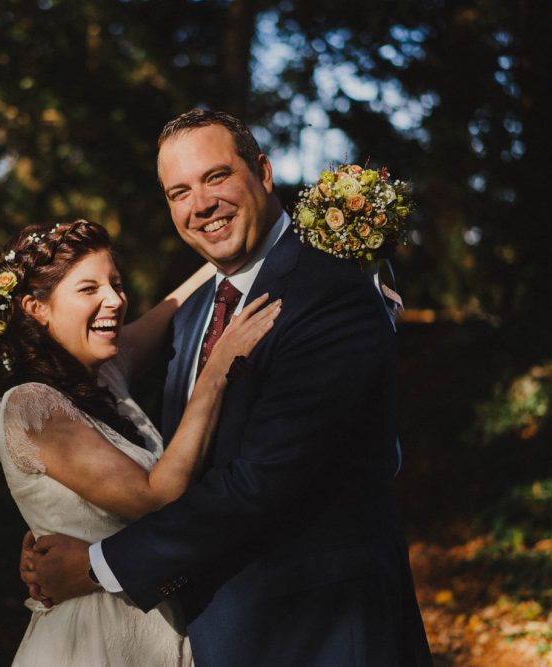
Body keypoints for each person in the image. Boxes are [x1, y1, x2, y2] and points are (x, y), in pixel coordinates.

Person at [22, 110, 433, 666]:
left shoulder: (329, 294)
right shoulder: (193, 316)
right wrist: (52, 536)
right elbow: (170, 469)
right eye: (179, 192)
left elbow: (262, 481)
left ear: (262, 172)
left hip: (320, 639)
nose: (201, 205)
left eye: (216, 177)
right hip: (210, 637)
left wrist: (95, 566)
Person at [0, 219, 281, 665]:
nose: (115, 299)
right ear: (36, 308)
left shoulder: (105, 373)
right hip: (92, 639)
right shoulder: (30, 407)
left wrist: (238, 248)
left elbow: (171, 306)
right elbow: (156, 498)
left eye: (116, 284)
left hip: (153, 619)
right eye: (89, 289)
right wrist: (216, 372)